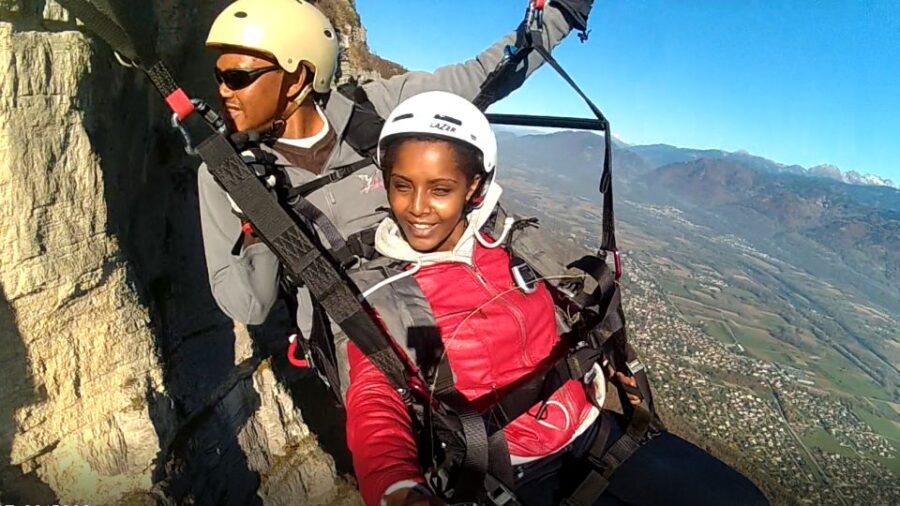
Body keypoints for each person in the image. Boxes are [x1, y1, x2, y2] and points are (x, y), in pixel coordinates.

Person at [344, 91, 769, 506]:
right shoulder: (388, 291)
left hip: (593, 425)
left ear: (474, 187)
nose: (417, 207)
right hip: (513, 468)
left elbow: (564, 316)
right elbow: (373, 394)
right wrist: (397, 485)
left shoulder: (509, 246)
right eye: (402, 186)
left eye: (440, 189)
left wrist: (617, 361)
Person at [196, 0, 596, 371]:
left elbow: (482, 78)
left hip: (448, 294)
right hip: (365, 343)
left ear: (298, 77)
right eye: (219, 76)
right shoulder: (226, 175)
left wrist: (559, 13)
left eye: (237, 77)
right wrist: (256, 219)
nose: (223, 91)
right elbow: (250, 306)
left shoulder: (374, 109)